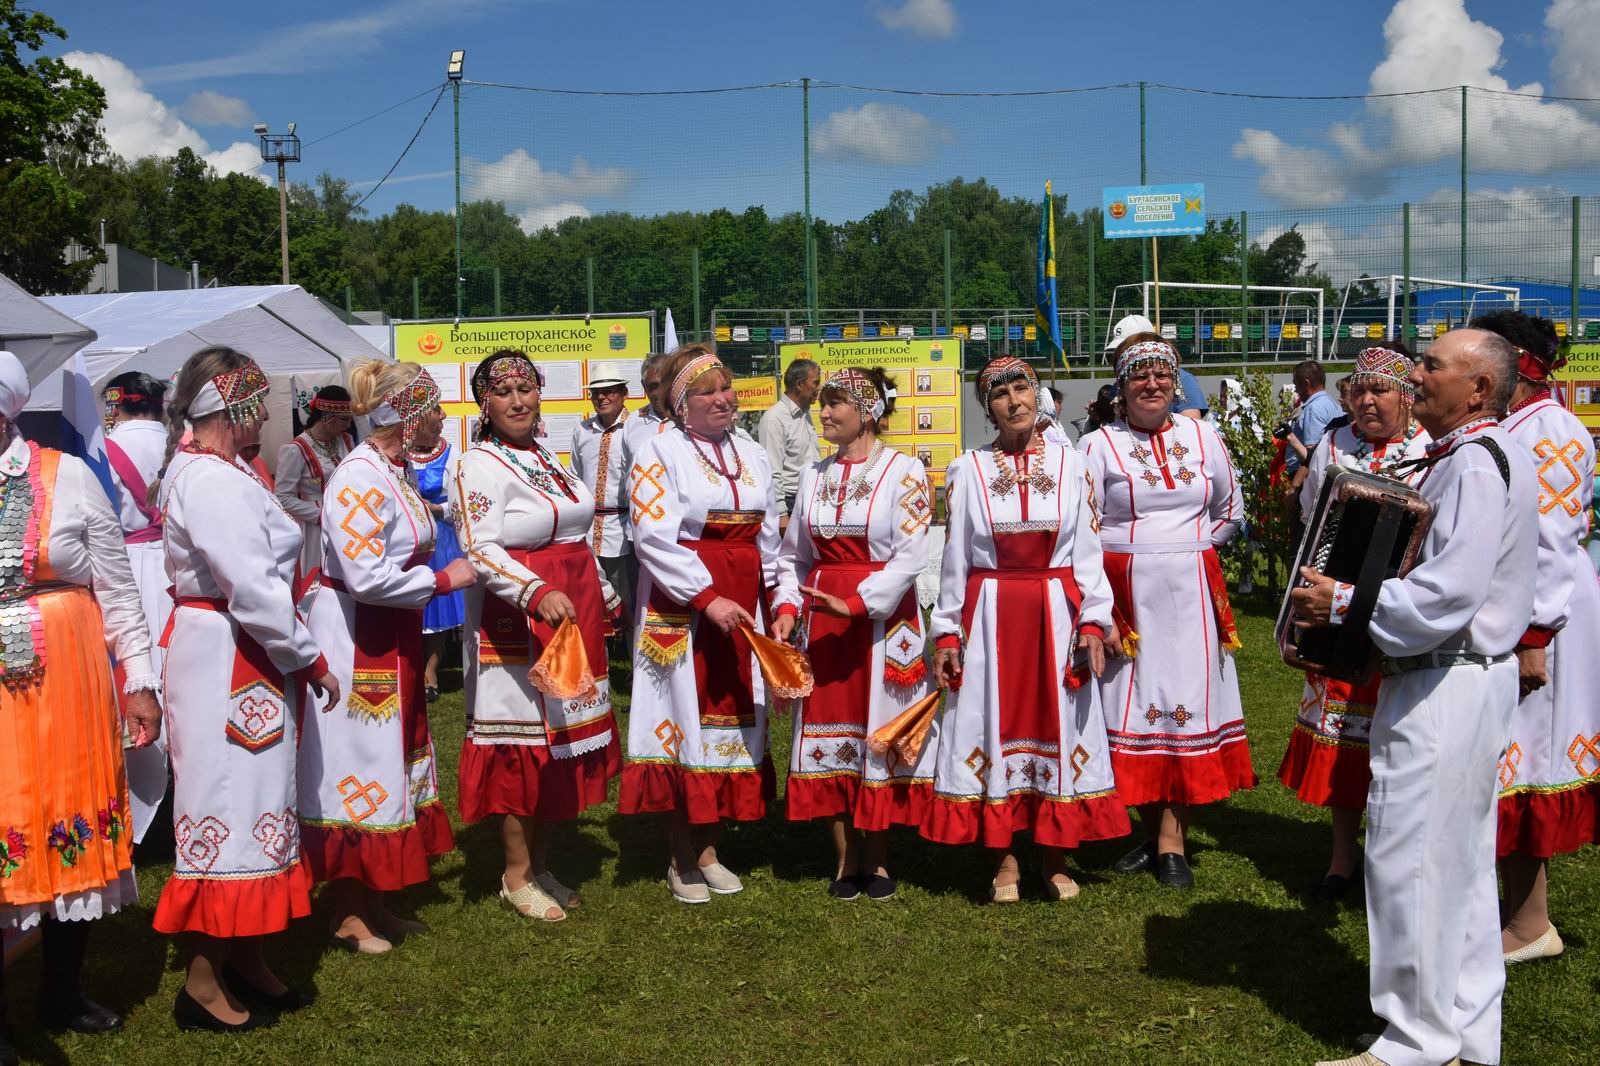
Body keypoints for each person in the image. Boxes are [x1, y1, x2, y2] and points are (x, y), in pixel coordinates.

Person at [1293, 328, 1535, 1066]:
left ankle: (1415, 1040)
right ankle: (1463, 1030)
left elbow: (1448, 592)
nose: (1416, 375)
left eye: (1432, 366)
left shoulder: (1472, 463)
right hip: (1461, 675)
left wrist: (1341, 603)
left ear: (1479, 389)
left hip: (1445, 676)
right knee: (1456, 865)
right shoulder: (1482, 456)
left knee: (1408, 860)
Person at [151, 346, 339, 1031]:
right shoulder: (211, 481)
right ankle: (202, 979)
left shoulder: (227, 471)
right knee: (228, 813)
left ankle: (246, 958)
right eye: (254, 402)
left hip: (243, 653)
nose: (265, 413)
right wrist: (308, 658)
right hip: (230, 653)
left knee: (259, 806)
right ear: (229, 408)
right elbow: (253, 587)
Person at [0, 352, 162, 1058]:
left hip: (67, 675)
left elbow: (119, 589)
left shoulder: (66, 477)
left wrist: (140, 680)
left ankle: (61, 989)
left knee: (70, 819)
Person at [926, 357, 1128, 902]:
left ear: (1037, 395)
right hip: (991, 615)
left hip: (1055, 612)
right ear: (986, 406)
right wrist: (947, 632)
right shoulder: (966, 469)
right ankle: (1006, 861)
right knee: (994, 726)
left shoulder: (1072, 465)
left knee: (1057, 727)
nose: (1014, 401)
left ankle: (1056, 859)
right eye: (1000, 394)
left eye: (1023, 388)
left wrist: (1093, 619)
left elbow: (1089, 553)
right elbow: (955, 560)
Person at [299, 361, 472, 955]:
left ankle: (374, 900)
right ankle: (349, 911)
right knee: (362, 761)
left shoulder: (392, 470)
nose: (443, 417)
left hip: (388, 628)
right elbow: (365, 574)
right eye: (434, 406)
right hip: (357, 633)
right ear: (411, 412)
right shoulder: (360, 476)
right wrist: (445, 580)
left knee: (392, 754)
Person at [450, 351, 622, 923]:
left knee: (560, 746)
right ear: (484, 402)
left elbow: (575, 533)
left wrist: (604, 591)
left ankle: (542, 863)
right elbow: (479, 547)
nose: (518, 401)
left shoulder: (548, 456)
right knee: (522, 746)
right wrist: (533, 590)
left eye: (527, 389)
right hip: (516, 621)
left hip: (573, 611)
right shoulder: (478, 465)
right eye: (504, 392)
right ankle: (516, 874)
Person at [1080, 333, 1250, 889]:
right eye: (1139, 376)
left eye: (1160, 375)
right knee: (1133, 707)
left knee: (1185, 705)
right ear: (1121, 388)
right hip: (1127, 599)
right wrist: (1116, 581)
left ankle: (1170, 841)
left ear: (1174, 383)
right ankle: (1153, 833)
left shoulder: (1204, 435)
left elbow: (1229, 509)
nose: (1151, 385)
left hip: (1192, 595)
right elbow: (1086, 527)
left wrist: (1191, 552)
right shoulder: (1100, 444)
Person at [621, 345, 786, 904]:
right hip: (683, 602)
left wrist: (778, 603)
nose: (723, 399)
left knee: (735, 717)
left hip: (743, 601)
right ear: (680, 404)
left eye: (726, 388)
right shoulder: (658, 451)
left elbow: (770, 541)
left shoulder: (750, 451)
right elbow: (653, 540)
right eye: (706, 392)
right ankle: (681, 855)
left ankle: (711, 848)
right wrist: (707, 597)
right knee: (683, 720)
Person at [773, 367, 935, 901]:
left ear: (866, 411)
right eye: (821, 403)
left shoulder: (904, 471)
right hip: (824, 619)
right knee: (832, 732)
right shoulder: (815, 475)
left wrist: (859, 603)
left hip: (882, 621)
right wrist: (789, 605)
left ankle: (881, 860)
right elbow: (795, 555)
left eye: (834, 404)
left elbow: (911, 555)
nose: (823, 413)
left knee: (880, 729)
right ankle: (845, 858)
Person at [1276, 345, 1430, 901]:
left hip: (1405, 609)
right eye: (1358, 388)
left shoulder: (1431, 447)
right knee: (1345, 745)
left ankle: (1396, 861)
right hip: (1338, 609)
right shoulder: (1335, 443)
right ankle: (1343, 860)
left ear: (1406, 396)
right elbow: (1316, 519)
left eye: (1380, 389)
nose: (1366, 399)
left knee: (1401, 745)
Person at [1471, 310, 1600, 964]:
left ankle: (1528, 925)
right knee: (1511, 764)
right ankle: (1522, 915)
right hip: (1519, 611)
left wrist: (1533, 636)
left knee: (1527, 761)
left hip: (1542, 619)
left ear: (1511, 362)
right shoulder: (1512, 427)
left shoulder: (1547, 431)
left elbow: (1549, 545)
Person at [101, 371, 175, 844]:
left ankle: (136, 805)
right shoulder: (180, 443)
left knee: (130, 677)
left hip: (124, 565)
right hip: (174, 566)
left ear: (118, 404)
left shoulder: (105, 449)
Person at [570, 364, 637, 627]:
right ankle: (599, 661)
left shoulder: (635, 428)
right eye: (596, 392)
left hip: (623, 529)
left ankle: (636, 665)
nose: (602, 397)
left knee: (628, 598)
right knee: (590, 598)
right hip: (588, 528)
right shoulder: (582, 431)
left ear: (623, 393)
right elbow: (575, 477)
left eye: (609, 391)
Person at [275, 386, 355, 589]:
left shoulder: (346, 440)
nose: (349, 424)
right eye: (344, 419)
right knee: (318, 579)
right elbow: (283, 497)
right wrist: (321, 515)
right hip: (315, 528)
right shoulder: (296, 449)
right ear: (328, 417)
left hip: (348, 520)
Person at [413, 435, 466, 702]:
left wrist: (438, 508)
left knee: (436, 607)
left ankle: (430, 673)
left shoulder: (451, 452)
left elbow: (462, 497)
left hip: (440, 535)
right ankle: (410, 670)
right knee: (411, 605)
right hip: (407, 535)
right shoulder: (398, 450)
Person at [1104, 314, 1209, 420]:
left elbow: (1191, 428)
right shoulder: (1121, 383)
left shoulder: (1183, 380)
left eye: (1128, 347)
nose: (1152, 385)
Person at [758, 357, 821, 519]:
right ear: (799, 385)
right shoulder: (774, 419)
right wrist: (781, 513)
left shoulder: (804, 414)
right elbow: (771, 470)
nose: (819, 388)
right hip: (791, 503)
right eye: (815, 382)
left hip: (811, 498)